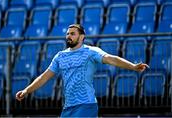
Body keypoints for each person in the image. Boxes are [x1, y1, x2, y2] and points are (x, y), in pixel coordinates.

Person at [16, 24, 149, 117]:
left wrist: (132, 66)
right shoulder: (60, 56)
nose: (69, 36)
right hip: (68, 107)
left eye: (73, 34)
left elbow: (111, 59)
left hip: (86, 105)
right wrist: (27, 90)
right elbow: (44, 77)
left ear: (82, 37)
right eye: (67, 34)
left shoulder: (91, 52)